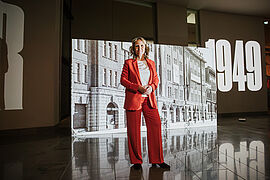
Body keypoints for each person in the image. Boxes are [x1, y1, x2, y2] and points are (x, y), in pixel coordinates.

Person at [120, 37, 170, 170]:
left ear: (145, 48)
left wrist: (152, 87)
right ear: (133, 48)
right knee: (134, 130)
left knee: (156, 126)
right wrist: (138, 87)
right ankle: (136, 161)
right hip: (134, 99)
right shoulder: (129, 63)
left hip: (149, 99)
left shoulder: (151, 63)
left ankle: (157, 160)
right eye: (137, 46)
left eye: (142, 46)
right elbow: (123, 80)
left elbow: (156, 79)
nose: (139, 49)